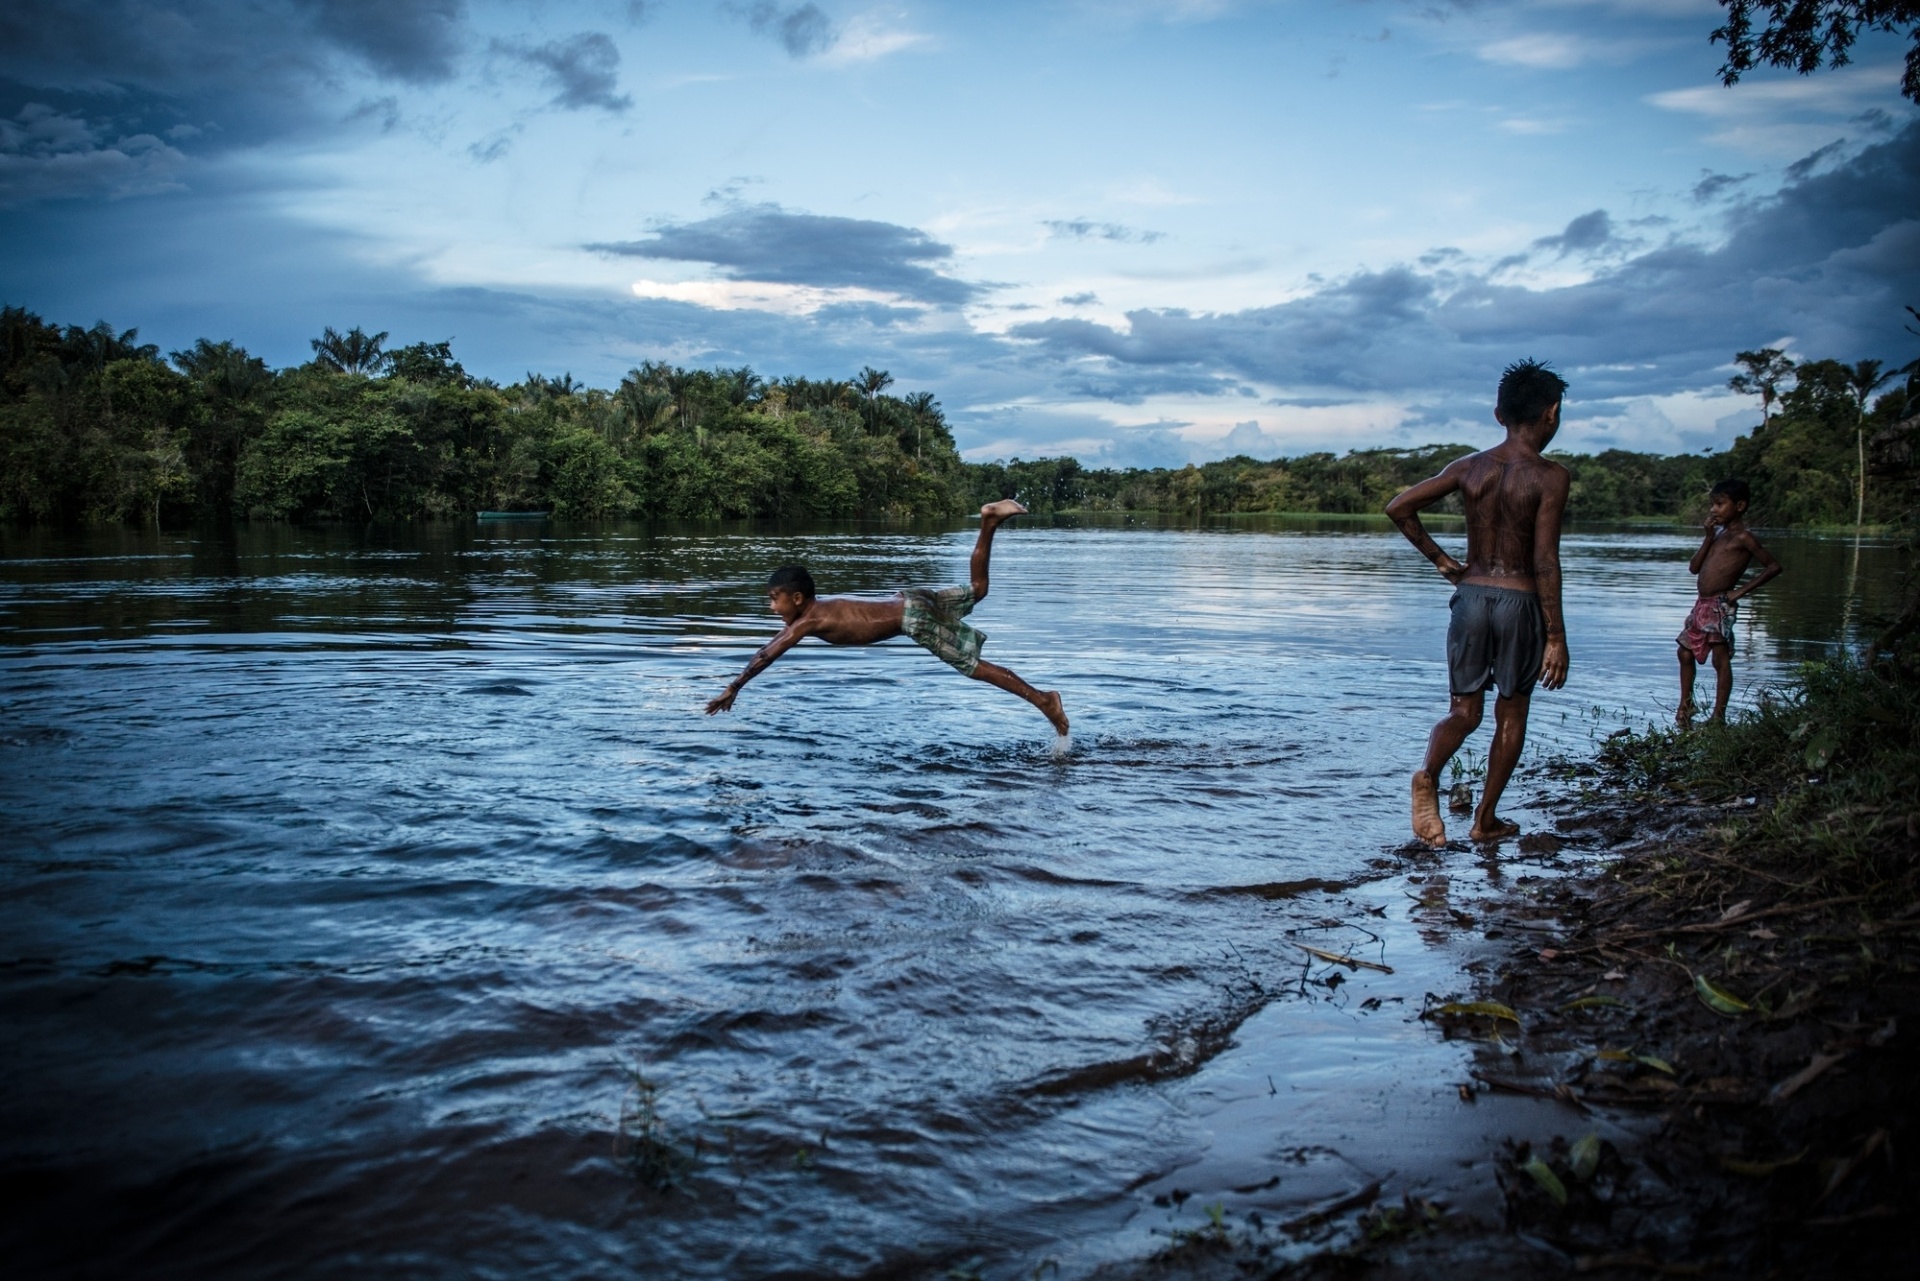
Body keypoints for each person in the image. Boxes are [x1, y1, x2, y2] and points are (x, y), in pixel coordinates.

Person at [1385, 359, 1572, 846]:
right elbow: (1545, 559)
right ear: (1551, 413)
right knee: (1510, 714)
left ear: (1498, 414)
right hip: (1519, 602)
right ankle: (1485, 820)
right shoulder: (1550, 477)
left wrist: (1443, 561)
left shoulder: (1468, 467)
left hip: (1470, 599)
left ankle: (1428, 774)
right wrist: (1555, 635)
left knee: (1463, 711)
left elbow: (1398, 507)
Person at [705, 499, 1070, 735]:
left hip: (913, 617)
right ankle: (989, 521)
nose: (772, 608)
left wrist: (735, 686)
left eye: (775, 600)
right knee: (978, 588)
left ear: (797, 598)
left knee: (974, 666)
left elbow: (770, 651)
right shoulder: (823, 608)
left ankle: (1043, 700)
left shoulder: (809, 620)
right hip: (908, 598)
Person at [1677, 478, 1781, 726]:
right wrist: (1708, 537)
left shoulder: (1744, 538)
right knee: (1684, 652)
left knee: (1719, 659)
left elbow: (1773, 567)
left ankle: (1718, 716)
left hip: (1719, 606)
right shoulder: (1718, 536)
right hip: (1702, 604)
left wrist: (1739, 592)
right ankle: (1686, 705)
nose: (1713, 510)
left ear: (1740, 506)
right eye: (1713, 504)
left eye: (1720, 504)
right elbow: (1694, 568)